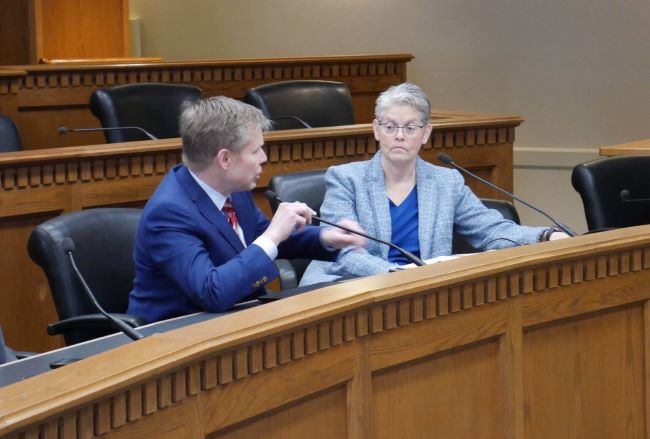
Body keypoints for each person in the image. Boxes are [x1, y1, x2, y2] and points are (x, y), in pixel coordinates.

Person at [300, 82, 568, 286]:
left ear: (426, 133)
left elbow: (490, 230)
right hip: (355, 289)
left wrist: (545, 236)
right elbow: (342, 252)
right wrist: (398, 275)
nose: (399, 136)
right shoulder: (346, 178)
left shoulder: (446, 181)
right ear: (376, 129)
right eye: (390, 126)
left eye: (411, 127)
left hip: (424, 292)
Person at [128, 96, 365, 323]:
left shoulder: (234, 188)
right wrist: (274, 234)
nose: (263, 158)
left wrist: (327, 237)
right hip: (175, 340)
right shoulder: (169, 213)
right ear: (225, 159)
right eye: (255, 151)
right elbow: (212, 291)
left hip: (236, 319)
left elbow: (262, 234)